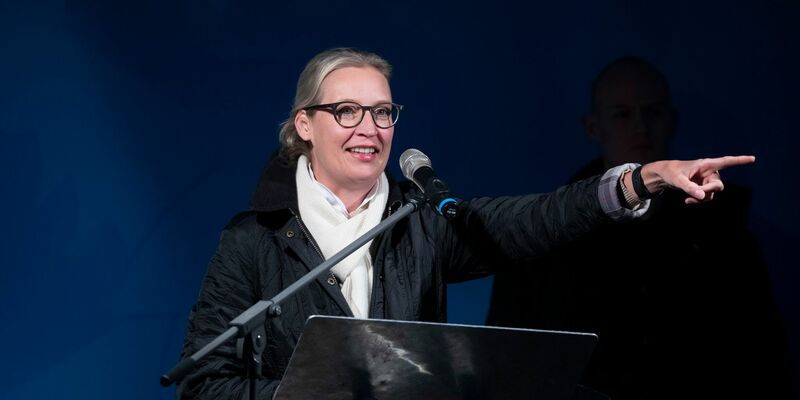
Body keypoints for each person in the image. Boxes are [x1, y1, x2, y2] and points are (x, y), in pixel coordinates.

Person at [176, 48, 755, 399]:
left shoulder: (422, 220)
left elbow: (538, 217)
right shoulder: (252, 240)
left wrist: (639, 180)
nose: (369, 128)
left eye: (383, 112)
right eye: (346, 111)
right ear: (305, 124)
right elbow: (203, 382)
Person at [487, 56, 792, 399]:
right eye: (622, 114)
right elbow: (506, 361)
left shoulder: (724, 237)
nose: (640, 127)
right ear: (593, 126)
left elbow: (765, 357)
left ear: (672, 121)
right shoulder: (545, 237)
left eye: (653, 112)